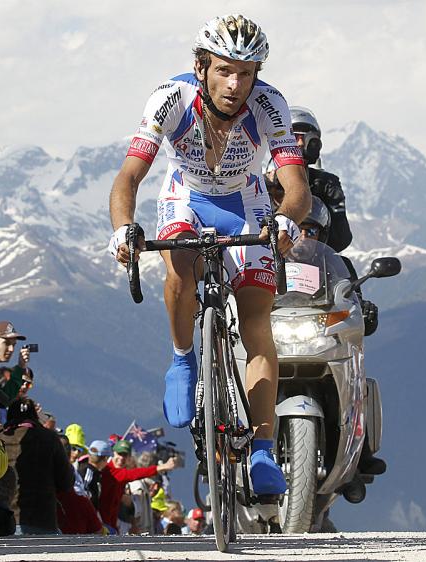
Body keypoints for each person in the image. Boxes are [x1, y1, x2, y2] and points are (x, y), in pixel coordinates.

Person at [108, 14, 310, 496]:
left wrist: (287, 219)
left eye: (247, 72)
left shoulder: (270, 104)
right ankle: (182, 359)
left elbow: (296, 186)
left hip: (246, 201)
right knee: (180, 263)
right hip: (187, 197)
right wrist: (122, 229)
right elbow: (129, 177)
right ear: (201, 67)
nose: (236, 83)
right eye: (225, 70)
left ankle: (262, 450)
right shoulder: (170, 99)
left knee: (258, 319)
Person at [0, 397, 74, 535]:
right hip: (43, 520)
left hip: (5, 521)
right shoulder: (50, 438)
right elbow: (66, 482)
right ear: (34, 416)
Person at [289, 106, 352, 252]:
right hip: (269, 261)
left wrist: (335, 202)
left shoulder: (326, 183)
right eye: (294, 136)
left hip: (315, 260)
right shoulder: (259, 181)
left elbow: (341, 239)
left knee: (345, 269)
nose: (300, 143)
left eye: (306, 137)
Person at [99, 439, 177, 532]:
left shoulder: (120, 473)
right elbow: (134, 474)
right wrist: (161, 467)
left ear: (129, 457)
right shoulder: (109, 471)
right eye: (119, 454)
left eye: (125, 455)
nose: (121, 458)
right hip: (102, 524)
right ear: (113, 453)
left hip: (110, 524)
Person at [0, 321, 32, 403]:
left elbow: (4, 399)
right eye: (6, 343)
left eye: (14, 345)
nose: (11, 349)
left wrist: (21, 366)